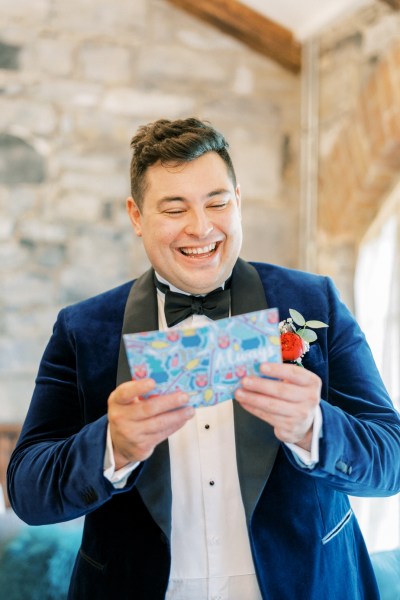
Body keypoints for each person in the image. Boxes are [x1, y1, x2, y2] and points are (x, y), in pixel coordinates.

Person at [7, 117, 400, 600]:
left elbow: (391, 459)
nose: (201, 227)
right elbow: (27, 491)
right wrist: (111, 446)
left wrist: (315, 427)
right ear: (136, 215)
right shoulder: (83, 329)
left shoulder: (314, 301)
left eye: (217, 202)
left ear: (239, 202)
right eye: (174, 208)